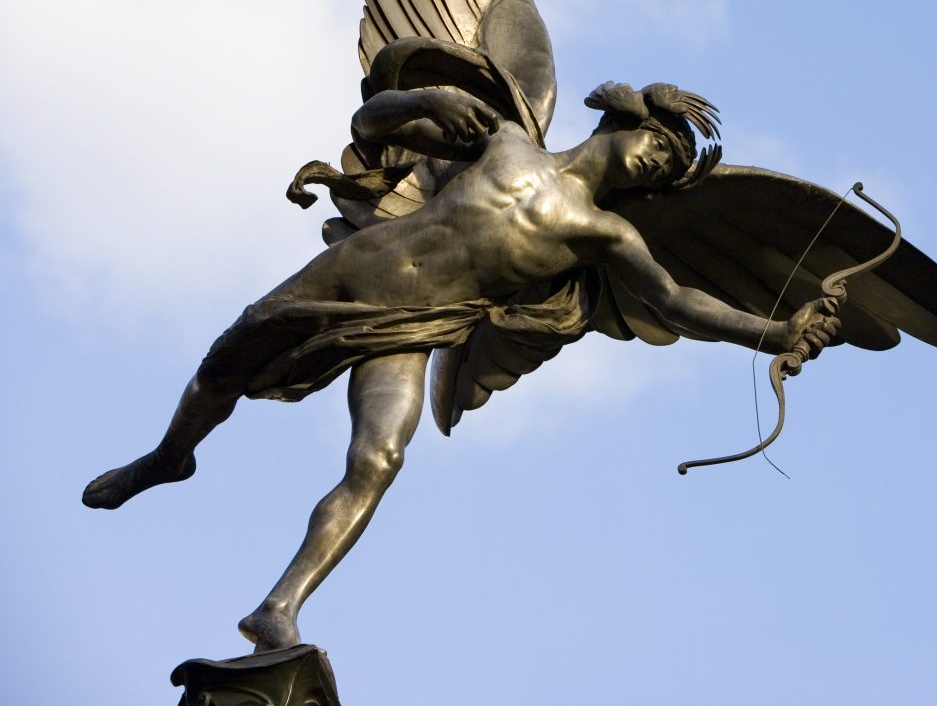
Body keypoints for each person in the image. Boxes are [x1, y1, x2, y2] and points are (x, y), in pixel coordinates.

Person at [82, 80, 838, 651]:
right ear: (623, 120)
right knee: (225, 361)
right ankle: (169, 455)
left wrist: (774, 331)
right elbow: (371, 122)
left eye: (667, 168)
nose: (654, 166)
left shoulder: (601, 233)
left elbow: (675, 300)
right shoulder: (504, 138)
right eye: (659, 146)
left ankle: (278, 606)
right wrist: (426, 95)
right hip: (352, 269)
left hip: (410, 328)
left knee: (378, 458)